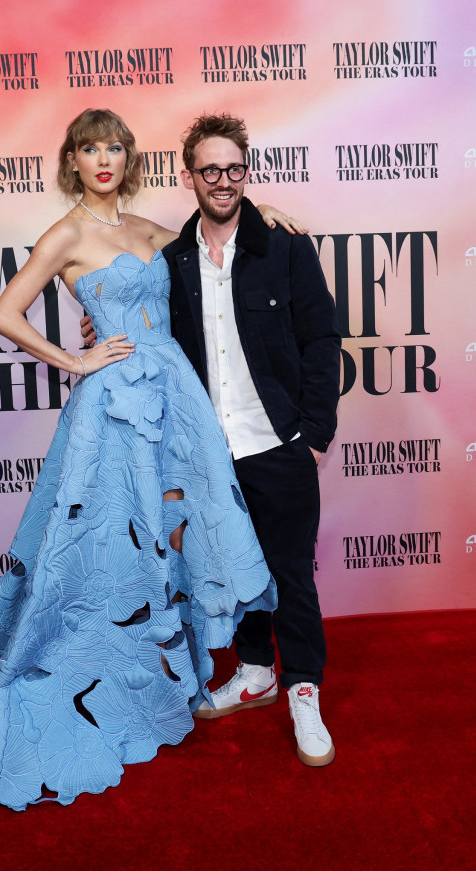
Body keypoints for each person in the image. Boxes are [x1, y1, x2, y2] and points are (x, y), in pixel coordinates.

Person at [0, 108, 300, 813]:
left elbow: (211, 236)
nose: (101, 159)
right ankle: (96, 677)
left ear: (128, 158)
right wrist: (76, 359)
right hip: (111, 414)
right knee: (105, 541)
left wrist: (266, 212)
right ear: (71, 160)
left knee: (171, 533)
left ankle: (166, 675)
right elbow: (5, 314)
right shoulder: (67, 233)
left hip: (173, 403)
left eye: (113, 147)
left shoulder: (148, 232)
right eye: (87, 148)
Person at [163, 114, 341, 767]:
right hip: (213, 452)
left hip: (281, 444)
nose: (224, 181)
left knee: (291, 576)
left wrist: (314, 435)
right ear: (189, 176)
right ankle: (255, 670)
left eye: (235, 168)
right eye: (210, 169)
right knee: (241, 574)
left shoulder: (285, 249)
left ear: (247, 171)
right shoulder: (174, 261)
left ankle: (302, 690)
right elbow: (153, 340)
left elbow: (321, 342)